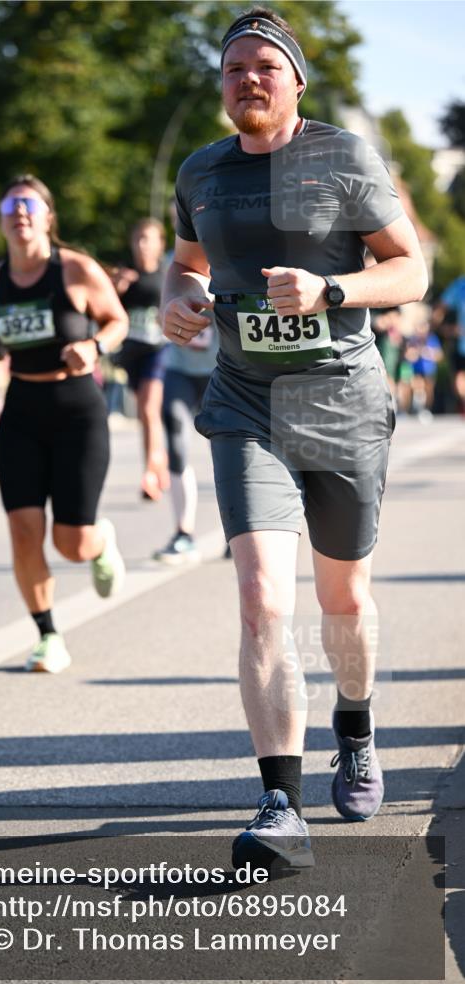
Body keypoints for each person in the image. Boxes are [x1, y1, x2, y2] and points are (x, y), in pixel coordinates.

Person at [162, 7, 428, 868]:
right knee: (261, 599)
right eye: (234, 67)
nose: (248, 78)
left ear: (296, 82)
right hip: (246, 404)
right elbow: (184, 261)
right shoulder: (201, 170)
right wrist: (177, 296)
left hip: (341, 403)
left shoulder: (344, 157)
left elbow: (410, 268)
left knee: (342, 599)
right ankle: (280, 802)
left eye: (264, 66)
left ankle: (355, 725)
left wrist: (330, 290)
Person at [0, 175, 127, 674]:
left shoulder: (75, 269)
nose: (20, 214)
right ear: (1, 221)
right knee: (23, 529)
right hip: (21, 409)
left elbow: (117, 321)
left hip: (77, 410)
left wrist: (94, 347)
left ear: (47, 218)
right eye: (10, 207)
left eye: (29, 206)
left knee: (71, 544)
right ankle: (47, 635)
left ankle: (100, 541)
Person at [110, 219, 170, 501]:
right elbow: (108, 312)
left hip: (158, 350)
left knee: (148, 409)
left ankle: (150, 475)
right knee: (146, 416)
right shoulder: (124, 275)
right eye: (138, 239)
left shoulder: (167, 275)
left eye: (148, 239)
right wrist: (117, 289)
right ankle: (161, 463)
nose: (142, 245)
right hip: (131, 353)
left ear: (160, 244)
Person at [153, 317, 219, 564]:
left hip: (220, 368)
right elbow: (160, 314)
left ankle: (237, 529)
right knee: (176, 438)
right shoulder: (175, 281)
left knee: (225, 449)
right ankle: (183, 533)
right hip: (179, 368)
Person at [433, 274, 465, 414]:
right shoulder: (460, 285)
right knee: (458, 378)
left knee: (459, 378)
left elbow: (441, 307)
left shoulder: (460, 285)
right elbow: (441, 307)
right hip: (460, 341)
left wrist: (438, 325)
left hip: (459, 339)